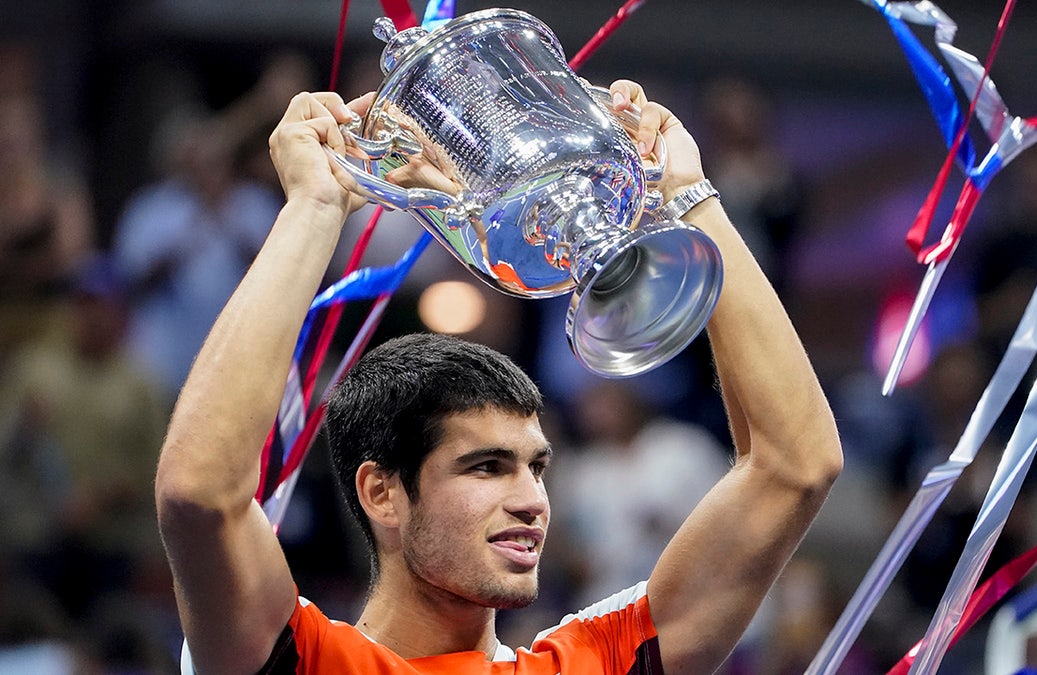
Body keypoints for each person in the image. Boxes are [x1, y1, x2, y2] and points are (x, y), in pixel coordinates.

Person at [154, 80, 843, 674]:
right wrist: (314, 208)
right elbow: (197, 491)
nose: (531, 500)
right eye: (486, 466)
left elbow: (796, 465)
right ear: (382, 492)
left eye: (535, 467)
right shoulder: (306, 658)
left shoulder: (591, 661)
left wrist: (687, 199)